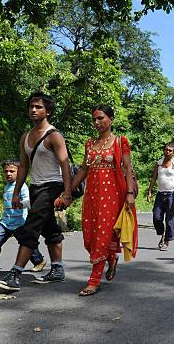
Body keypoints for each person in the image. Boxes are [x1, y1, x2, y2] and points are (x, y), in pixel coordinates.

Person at [0, 92, 73, 292]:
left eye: (38, 107)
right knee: (49, 228)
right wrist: (16, 192)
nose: (33, 110)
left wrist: (67, 192)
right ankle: (57, 269)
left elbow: (65, 164)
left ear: (48, 111)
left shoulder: (54, 135)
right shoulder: (26, 136)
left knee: (31, 226)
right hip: (36, 187)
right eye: (31, 106)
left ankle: (15, 274)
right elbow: (23, 166)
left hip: (53, 186)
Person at [70, 104, 137, 296]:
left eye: (100, 118)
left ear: (111, 120)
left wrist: (130, 194)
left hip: (112, 196)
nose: (97, 122)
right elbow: (84, 169)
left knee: (102, 234)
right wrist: (68, 191)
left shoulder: (120, 141)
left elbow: (127, 168)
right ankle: (111, 259)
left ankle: (93, 281)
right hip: (92, 195)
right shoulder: (89, 144)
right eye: (94, 119)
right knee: (90, 237)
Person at [0, 159, 46, 277]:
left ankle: (39, 261)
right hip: (5, 222)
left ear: (19, 172)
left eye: (12, 171)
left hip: (20, 223)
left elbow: (29, 202)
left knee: (25, 243)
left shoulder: (22, 187)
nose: (8, 174)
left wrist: (21, 204)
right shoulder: (7, 187)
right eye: (6, 171)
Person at [147, 143, 174, 251]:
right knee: (156, 217)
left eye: (170, 150)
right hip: (160, 193)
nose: (167, 152)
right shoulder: (159, 163)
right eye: (166, 149)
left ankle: (166, 241)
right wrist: (149, 191)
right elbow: (154, 178)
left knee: (170, 220)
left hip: (171, 194)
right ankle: (162, 234)